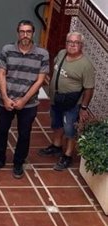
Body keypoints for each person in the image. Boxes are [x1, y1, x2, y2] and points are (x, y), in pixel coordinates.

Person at [0, 20, 49, 179]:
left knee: (24, 133)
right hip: (6, 100)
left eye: (28, 32)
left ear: (33, 34)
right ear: (18, 33)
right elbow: (1, 73)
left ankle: (18, 162)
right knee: (1, 130)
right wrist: (5, 97)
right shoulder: (7, 50)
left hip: (28, 103)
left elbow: (40, 80)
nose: (25, 35)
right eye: (22, 31)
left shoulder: (42, 54)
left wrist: (24, 100)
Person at [38, 32, 95, 171]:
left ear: (81, 45)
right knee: (56, 123)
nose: (72, 45)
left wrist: (83, 107)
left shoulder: (86, 65)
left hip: (72, 103)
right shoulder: (62, 53)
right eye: (70, 42)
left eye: (76, 43)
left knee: (70, 129)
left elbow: (89, 88)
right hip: (56, 99)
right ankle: (56, 146)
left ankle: (68, 155)